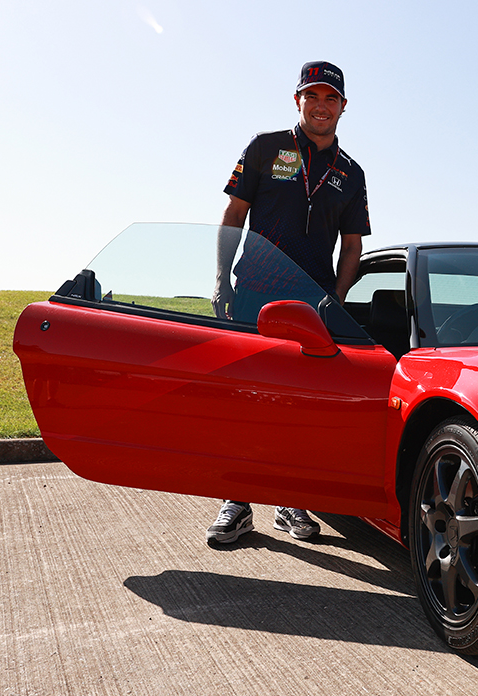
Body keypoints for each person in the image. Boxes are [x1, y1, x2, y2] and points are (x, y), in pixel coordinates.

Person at [206, 60, 371, 546]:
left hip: (309, 309)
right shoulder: (265, 148)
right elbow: (234, 214)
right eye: (312, 96)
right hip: (253, 293)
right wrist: (221, 279)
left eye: (330, 98)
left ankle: (289, 500)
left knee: (296, 404)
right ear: (297, 100)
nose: (321, 106)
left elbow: (353, 244)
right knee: (244, 399)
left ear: (343, 107)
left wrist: (335, 301)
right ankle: (236, 501)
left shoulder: (351, 173)